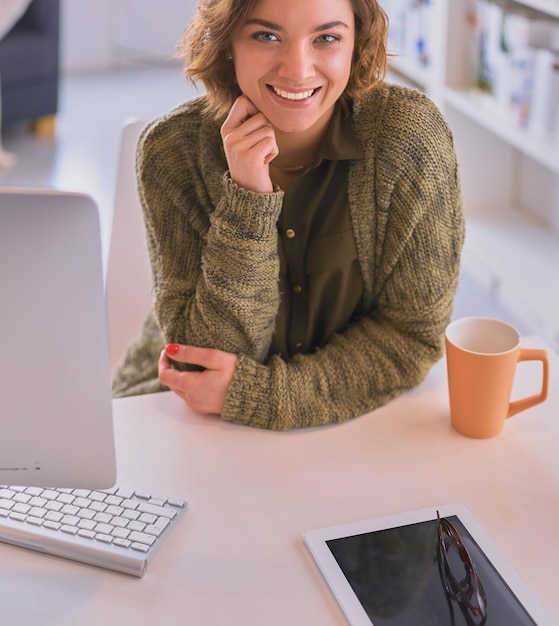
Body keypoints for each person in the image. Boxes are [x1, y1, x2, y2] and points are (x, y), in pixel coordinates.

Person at [112, 0, 464, 430]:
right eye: (266, 36)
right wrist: (248, 199)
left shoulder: (409, 141)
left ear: (357, 42)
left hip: (351, 428)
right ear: (227, 42)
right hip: (181, 416)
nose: (297, 70)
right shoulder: (171, 151)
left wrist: (265, 396)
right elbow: (204, 363)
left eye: (327, 38)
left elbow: (411, 336)